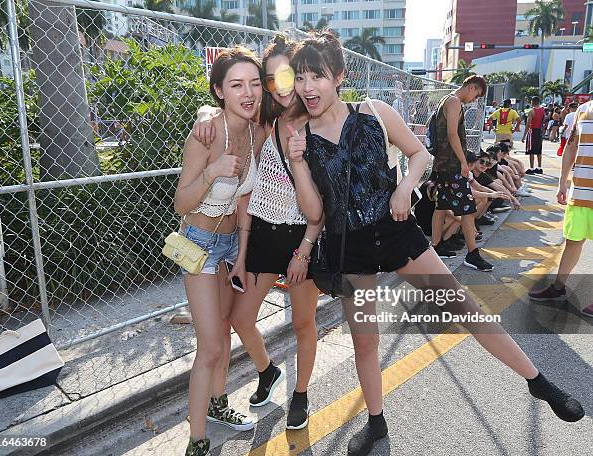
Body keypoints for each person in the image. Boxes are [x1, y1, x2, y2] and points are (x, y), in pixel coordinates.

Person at [287, 30, 584, 456]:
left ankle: (538, 382)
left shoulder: (374, 112)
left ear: (338, 76)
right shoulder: (299, 135)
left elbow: (420, 155)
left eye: (316, 75)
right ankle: (376, 423)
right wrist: (297, 164)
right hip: (347, 245)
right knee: (365, 340)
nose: (307, 86)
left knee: (462, 304)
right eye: (300, 77)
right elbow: (314, 212)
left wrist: (406, 186)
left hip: (396, 230)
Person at [191, 35, 322, 430]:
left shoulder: (319, 122)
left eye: (288, 74)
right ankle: (267, 371)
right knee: (241, 318)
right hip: (264, 233)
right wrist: (203, 116)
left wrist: (304, 251)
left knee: (303, 323)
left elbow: (325, 203)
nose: (280, 85)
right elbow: (224, 115)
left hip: (304, 238)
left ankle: (300, 395)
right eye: (270, 78)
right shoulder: (265, 121)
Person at [173, 47, 265, 456]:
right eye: (237, 85)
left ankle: (217, 404)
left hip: (231, 244)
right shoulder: (205, 134)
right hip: (199, 245)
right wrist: (211, 172)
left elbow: (245, 202)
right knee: (209, 346)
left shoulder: (256, 130)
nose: (248, 93)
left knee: (225, 333)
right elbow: (181, 203)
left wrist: (243, 255)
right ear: (219, 91)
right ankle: (197, 441)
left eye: (255, 83)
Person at [528, 100, 593, 317]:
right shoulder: (583, 110)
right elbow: (572, 146)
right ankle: (558, 288)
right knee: (573, 241)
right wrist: (562, 182)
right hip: (581, 190)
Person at [429, 74, 494, 269]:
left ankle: (436, 245)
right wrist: (464, 163)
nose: (474, 100)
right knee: (468, 209)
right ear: (472, 88)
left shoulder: (445, 99)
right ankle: (472, 254)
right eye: (477, 96)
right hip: (452, 166)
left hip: (441, 164)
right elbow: (451, 134)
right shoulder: (454, 101)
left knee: (441, 206)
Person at [521, 96, 545, 174]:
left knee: (531, 150)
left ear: (533, 102)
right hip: (539, 131)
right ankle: (539, 167)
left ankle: (531, 168)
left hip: (532, 131)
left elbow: (528, 124)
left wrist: (524, 136)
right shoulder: (542, 110)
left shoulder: (532, 111)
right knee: (538, 150)